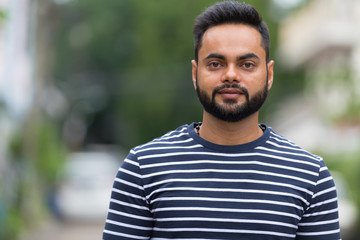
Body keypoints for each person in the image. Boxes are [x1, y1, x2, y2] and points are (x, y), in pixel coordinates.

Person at [103, 1, 341, 239]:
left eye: (247, 64)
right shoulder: (143, 168)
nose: (230, 75)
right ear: (195, 74)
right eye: (215, 64)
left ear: (269, 75)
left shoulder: (310, 176)